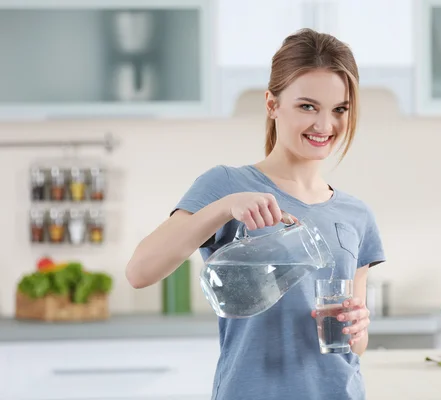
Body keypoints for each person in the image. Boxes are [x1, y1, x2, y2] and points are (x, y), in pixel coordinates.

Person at [125, 28, 386, 400]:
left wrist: (358, 328)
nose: (325, 125)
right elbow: (139, 272)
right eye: (307, 106)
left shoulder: (357, 214)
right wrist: (224, 208)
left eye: (339, 109)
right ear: (272, 104)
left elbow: (352, 348)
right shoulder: (227, 184)